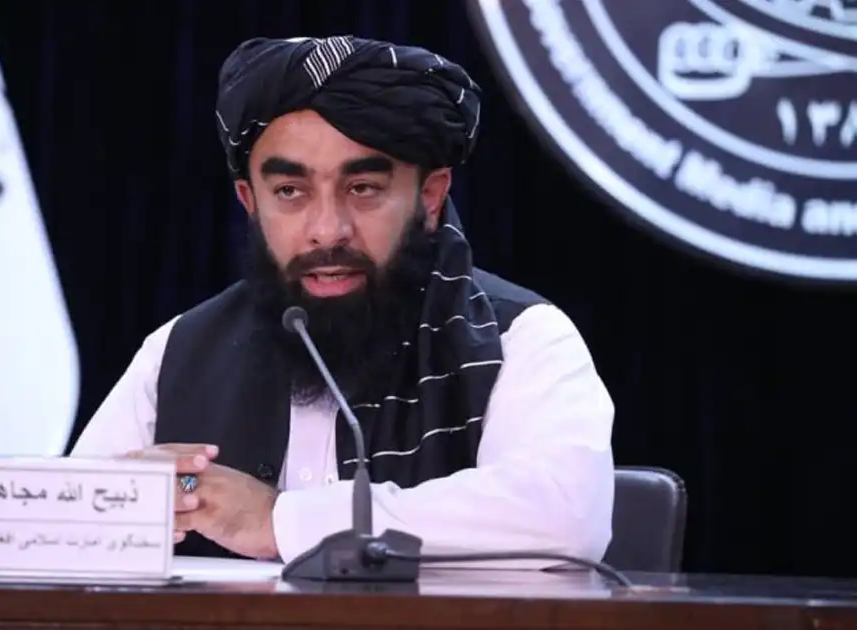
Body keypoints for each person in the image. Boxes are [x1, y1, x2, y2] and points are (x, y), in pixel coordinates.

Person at [71, 35, 616, 568]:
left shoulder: (518, 338)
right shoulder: (181, 350)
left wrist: (278, 521)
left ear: (430, 197)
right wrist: (152, 499)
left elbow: (565, 519)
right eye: (290, 192)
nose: (328, 231)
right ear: (250, 202)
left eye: (363, 189)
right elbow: (64, 518)